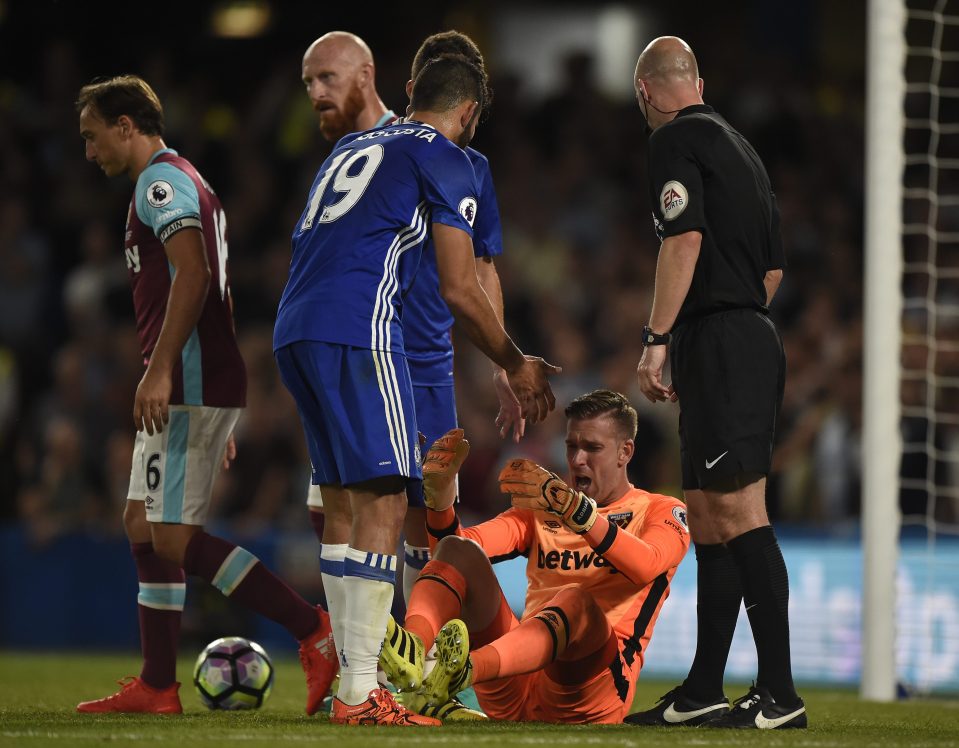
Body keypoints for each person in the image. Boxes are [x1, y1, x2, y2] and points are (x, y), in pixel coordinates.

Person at [273, 54, 558, 726]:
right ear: (469, 112)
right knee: (383, 505)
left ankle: (356, 677)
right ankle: (364, 692)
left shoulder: (355, 145)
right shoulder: (448, 156)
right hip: (362, 331)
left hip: (295, 327)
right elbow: (460, 286)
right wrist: (514, 361)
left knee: (344, 508)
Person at [73, 76, 337, 717]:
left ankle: (312, 630)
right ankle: (158, 685)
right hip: (198, 383)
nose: (89, 151)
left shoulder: (159, 183)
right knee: (143, 524)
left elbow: (193, 274)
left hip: (187, 382)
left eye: (92, 135)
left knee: (168, 536)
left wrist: (163, 372)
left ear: (127, 125)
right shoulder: (188, 179)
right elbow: (212, 285)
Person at [300, 31, 519, 608]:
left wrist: (501, 365)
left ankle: (412, 664)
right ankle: (355, 662)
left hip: (427, 365)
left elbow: (483, 268)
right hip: (374, 351)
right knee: (340, 509)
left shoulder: (469, 166)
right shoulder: (396, 152)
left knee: (423, 521)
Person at [628, 37, 806, 729]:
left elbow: (683, 239)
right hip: (740, 333)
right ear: (695, 81)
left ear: (645, 92)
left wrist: (656, 339)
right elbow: (773, 270)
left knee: (739, 515)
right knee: (705, 512)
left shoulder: (673, 141)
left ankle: (779, 696)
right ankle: (703, 688)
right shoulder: (742, 148)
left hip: (721, 341)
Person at [379, 390, 689, 723]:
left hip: (589, 691)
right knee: (459, 551)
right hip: (516, 679)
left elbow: (646, 565)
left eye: (593, 448)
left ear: (625, 452)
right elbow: (453, 552)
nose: (578, 460)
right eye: (572, 446)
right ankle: (414, 650)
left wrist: (579, 515)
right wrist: (440, 504)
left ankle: (462, 671)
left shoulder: (662, 510)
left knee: (575, 600)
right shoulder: (544, 511)